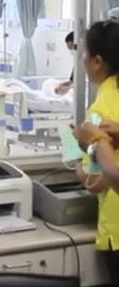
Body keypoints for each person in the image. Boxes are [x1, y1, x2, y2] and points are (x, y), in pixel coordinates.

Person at [73, 20, 119, 285]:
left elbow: (95, 181)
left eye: (84, 53)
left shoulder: (101, 108)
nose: (82, 59)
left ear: (97, 61)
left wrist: (78, 156)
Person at [56, 31, 76, 96]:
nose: (72, 51)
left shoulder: (90, 61)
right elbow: (73, 80)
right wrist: (62, 84)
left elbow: (87, 85)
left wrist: (69, 89)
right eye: (69, 49)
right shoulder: (76, 64)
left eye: (72, 48)